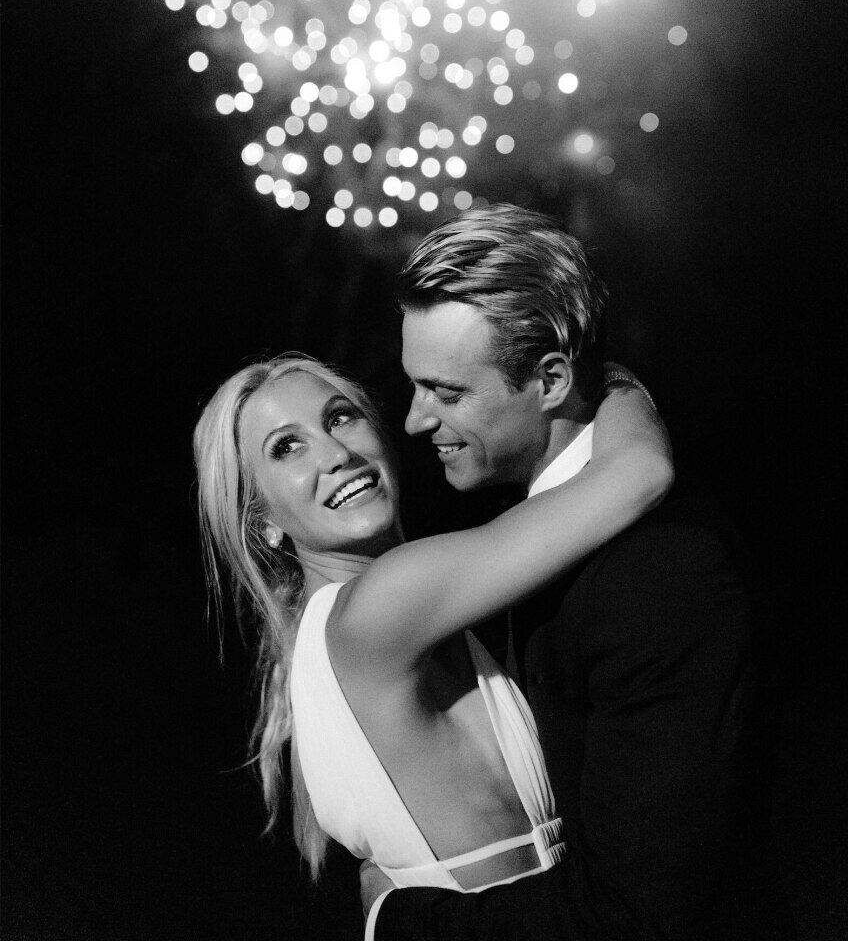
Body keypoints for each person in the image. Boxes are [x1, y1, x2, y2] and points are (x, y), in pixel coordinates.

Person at [364, 204, 755, 941]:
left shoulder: (659, 576)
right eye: (416, 386)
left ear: (549, 380)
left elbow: (635, 917)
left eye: (447, 393)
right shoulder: (529, 536)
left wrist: (399, 921)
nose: (415, 421)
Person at [194, 348, 671, 938]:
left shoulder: (351, 637)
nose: (336, 454)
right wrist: (606, 376)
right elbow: (638, 473)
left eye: (340, 417)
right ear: (261, 521)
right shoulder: (379, 607)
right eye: (287, 448)